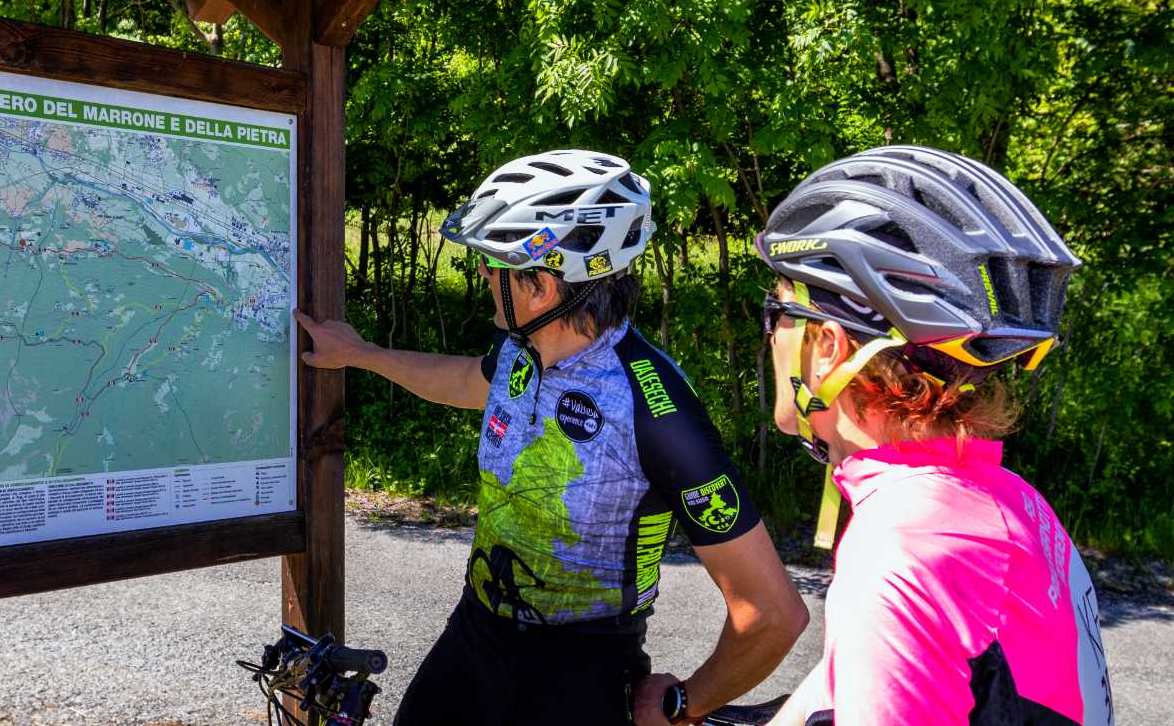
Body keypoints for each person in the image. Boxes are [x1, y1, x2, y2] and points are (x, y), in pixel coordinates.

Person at [295, 149, 807, 726]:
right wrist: (362, 355)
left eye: (494, 264)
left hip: (580, 672)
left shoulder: (656, 409)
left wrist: (685, 701)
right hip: (474, 638)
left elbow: (772, 613)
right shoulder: (523, 349)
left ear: (540, 285)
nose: (484, 274)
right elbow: (467, 381)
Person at [754, 146, 1114, 725]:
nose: (770, 338)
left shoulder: (903, 552)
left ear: (827, 348)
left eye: (777, 316)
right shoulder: (1008, 501)